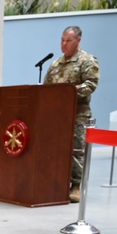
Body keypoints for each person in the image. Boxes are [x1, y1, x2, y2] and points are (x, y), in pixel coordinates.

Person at [44, 25, 100, 203]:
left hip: (78, 114)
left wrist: (68, 92)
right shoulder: (55, 64)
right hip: (57, 116)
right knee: (55, 148)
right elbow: (47, 89)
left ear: (78, 40)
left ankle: (76, 186)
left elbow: (91, 85)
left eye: (68, 40)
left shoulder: (87, 61)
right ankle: (56, 183)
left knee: (76, 151)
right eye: (62, 40)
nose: (64, 44)